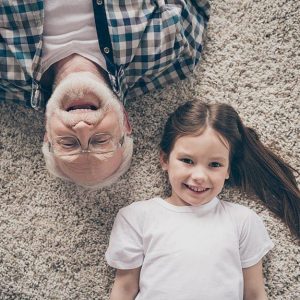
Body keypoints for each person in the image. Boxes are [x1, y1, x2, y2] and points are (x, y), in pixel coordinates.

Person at [0, 1, 210, 188]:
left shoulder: (6, 76)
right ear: (125, 123)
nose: (81, 128)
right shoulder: (169, 54)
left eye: (68, 143)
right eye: (100, 140)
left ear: (47, 134)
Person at [105, 100, 300, 300]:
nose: (199, 176)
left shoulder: (243, 221)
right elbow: (125, 289)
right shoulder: (137, 217)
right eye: (187, 161)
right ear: (165, 160)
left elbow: (254, 293)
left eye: (214, 164)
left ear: (228, 170)